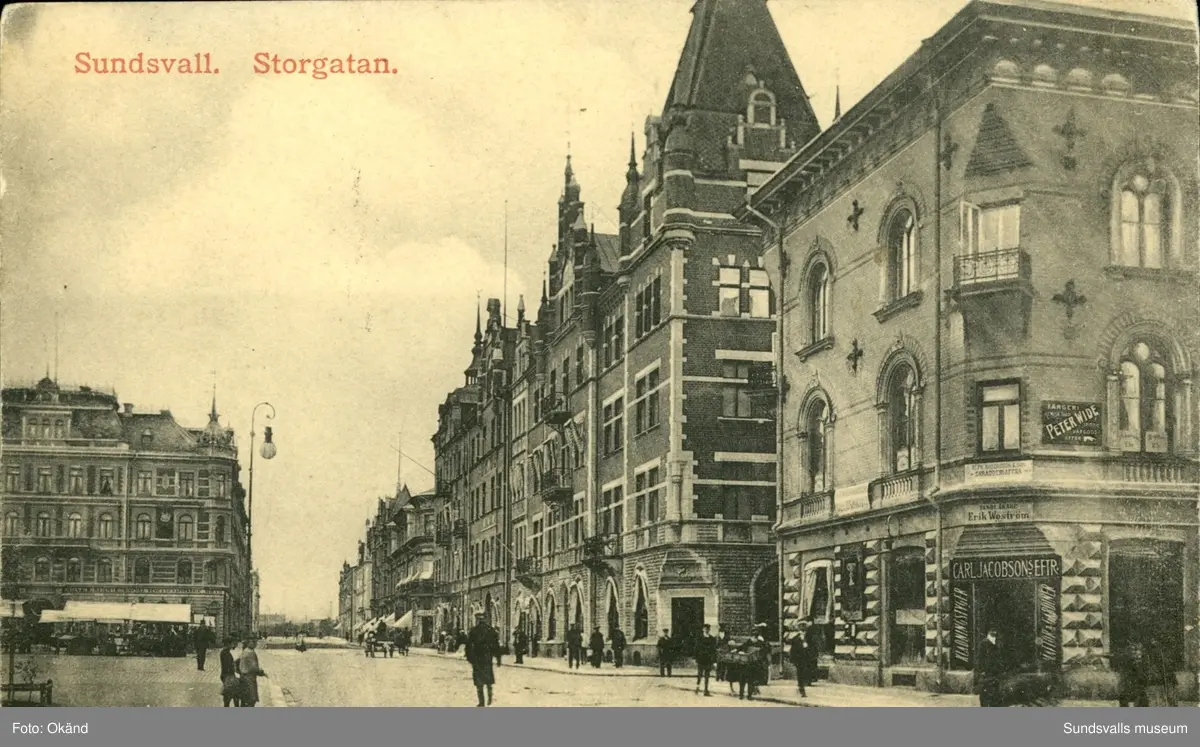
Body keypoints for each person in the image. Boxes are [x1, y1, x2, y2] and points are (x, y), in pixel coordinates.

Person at [464, 612, 498, 707]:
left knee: (479, 683)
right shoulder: (490, 630)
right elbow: (496, 645)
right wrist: (497, 657)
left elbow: (468, 646)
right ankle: (489, 696)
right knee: (488, 680)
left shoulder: (474, 631)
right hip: (487, 659)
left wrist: (469, 658)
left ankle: (481, 702)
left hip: (477, 659)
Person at [738, 624, 770, 700]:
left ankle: (747, 695)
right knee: (745, 680)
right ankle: (743, 695)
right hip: (747, 663)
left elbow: (765, 651)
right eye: (754, 633)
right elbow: (741, 648)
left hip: (753, 664)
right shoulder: (749, 642)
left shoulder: (760, 643)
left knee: (750, 680)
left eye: (756, 633)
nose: (754, 636)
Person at [1113, 642, 1150, 707]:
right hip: (1128, 687)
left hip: (1137, 688)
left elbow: (1144, 678)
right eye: (1133, 651)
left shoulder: (1142, 664)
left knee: (1142, 699)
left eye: (1138, 653)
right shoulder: (1127, 662)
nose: (1136, 654)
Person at [975, 629, 1003, 707]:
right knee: (985, 690)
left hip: (995, 671)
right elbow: (979, 658)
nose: (994, 634)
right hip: (986, 671)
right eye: (992, 632)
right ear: (989, 633)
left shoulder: (998, 643)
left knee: (994, 690)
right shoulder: (983, 644)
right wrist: (981, 670)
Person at [789, 622, 818, 698]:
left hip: (808, 658)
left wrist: (813, 655)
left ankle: (808, 682)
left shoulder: (810, 638)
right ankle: (801, 688)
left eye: (804, 627)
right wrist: (793, 659)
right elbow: (793, 650)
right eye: (801, 627)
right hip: (799, 659)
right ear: (799, 628)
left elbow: (814, 647)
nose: (802, 628)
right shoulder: (795, 639)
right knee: (800, 673)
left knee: (808, 670)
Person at [237, 637, 267, 707]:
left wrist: (241, 671)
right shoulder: (251, 652)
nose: (255, 644)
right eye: (253, 642)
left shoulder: (245, 651)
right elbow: (254, 668)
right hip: (250, 679)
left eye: (255, 642)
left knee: (244, 700)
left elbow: (236, 663)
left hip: (243, 678)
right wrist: (262, 672)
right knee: (251, 700)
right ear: (248, 643)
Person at [695, 624, 718, 696]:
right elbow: (696, 648)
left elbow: (714, 650)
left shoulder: (712, 639)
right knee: (700, 674)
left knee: (707, 676)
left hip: (708, 659)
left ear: (709, 630)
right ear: (703, 629)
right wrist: (696, 658)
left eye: (708, 629)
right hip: (701, 659)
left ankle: (706, 690)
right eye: (705, 629)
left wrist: (714, 661)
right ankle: (697, 687)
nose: (707, 630)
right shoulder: (699, 638)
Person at [219, 637, 241, 708]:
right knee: (232, 697)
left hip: (227, 676)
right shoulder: (225, 653)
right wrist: (236, 663)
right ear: (228, 644)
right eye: (232, 643)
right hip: (228, 676)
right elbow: (228, 666)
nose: (233, 645)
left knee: (230, 696)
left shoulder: (225, 652)